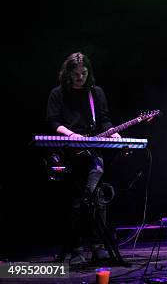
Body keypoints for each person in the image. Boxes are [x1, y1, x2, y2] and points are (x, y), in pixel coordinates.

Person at [46, 52, 120, 264]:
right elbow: (52, 122)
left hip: (92, 151)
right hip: (68, 152)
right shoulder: (57, 94)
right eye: (76, 74)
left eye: (84, 73)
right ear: (67, 74)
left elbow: (104, 120)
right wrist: (71, 135)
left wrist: (112, 131)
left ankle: (98, 247)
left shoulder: (96, 93)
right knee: (76, 201)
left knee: (97, 197)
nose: (80, 78)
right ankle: (76, 250)